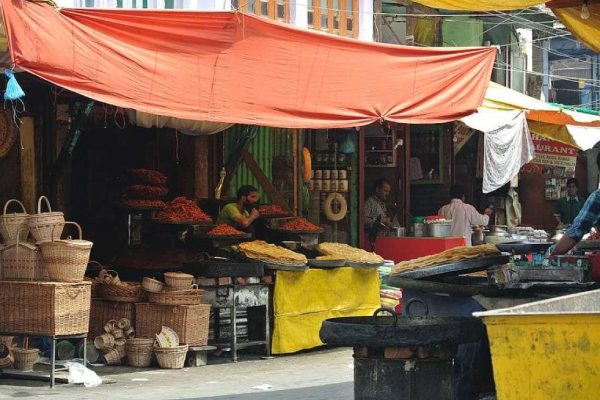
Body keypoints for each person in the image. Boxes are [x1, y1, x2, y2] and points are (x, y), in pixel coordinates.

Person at [552, 153, 600, 256]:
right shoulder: (562, 201)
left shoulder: (596, 198)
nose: (571, 189)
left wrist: (552, 255)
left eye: (573, 187)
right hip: (565, 228)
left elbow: (577, 230)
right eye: (569, 187)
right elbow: (557, 215)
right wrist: (561, 224)